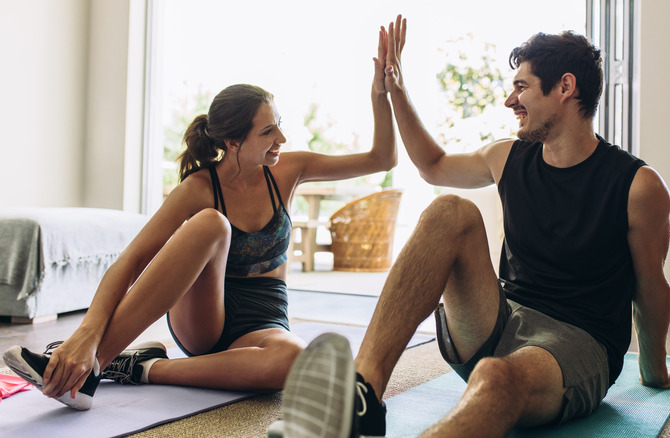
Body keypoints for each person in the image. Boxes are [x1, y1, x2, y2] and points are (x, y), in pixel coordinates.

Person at [278, 15, 670, 438]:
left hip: (577, 344)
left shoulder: (638, 185)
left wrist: (655, 372)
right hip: (497, 318)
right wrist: (397, 92)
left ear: (565, 87)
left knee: (498, 380)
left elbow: (650, 285)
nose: (509, 100)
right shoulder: (508, 157)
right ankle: (362, 397)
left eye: (522, 87)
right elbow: (433, 166)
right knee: (449, 211)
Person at [2, 29, 397, 411]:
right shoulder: (198, 188)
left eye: (280, 123)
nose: (282, 137)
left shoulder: (289, 170)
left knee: (295, 359)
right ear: (232, 142)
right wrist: (87, 332)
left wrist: (382, 93)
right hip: (205, 317)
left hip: (264, 319)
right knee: (212, 224)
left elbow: (382, 158)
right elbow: (132, 260)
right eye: (268, 130)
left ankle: (140, 368)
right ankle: (91, 366)